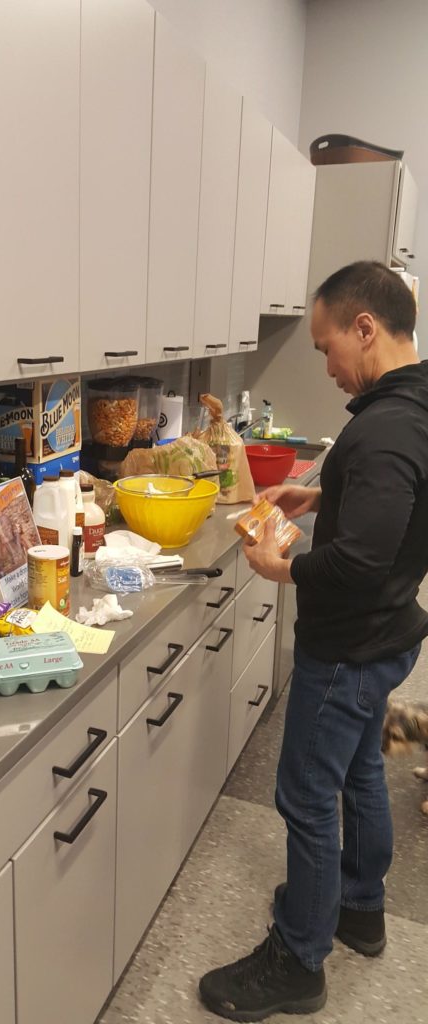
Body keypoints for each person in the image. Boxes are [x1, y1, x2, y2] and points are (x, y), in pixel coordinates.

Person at [199, 261, 428, 1021]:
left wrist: (283, 565)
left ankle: (299, 960)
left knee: (304, 794)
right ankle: (359, 908)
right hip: (391, 637)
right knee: (362, 769)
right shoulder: (415, 401)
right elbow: (388, 502)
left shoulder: (388, 425)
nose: (326, 366)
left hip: (349, 649)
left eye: (328, 345)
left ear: (366, 328)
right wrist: (323, 491)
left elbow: (360, 559)